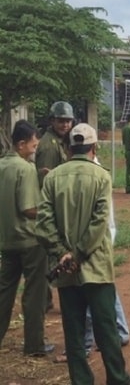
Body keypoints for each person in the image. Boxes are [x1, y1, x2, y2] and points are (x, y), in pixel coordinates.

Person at [36, 123, 130, 385]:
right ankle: (117, 378)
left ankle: (81, 381)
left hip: (66, 272)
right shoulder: (102, 176)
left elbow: (43, 224)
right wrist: (78, 254)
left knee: (75, 333)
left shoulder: (53, 178)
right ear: (94, 147)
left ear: (68, 148)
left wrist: (63, 254)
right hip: (97, 269)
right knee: (107, 330)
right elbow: (100, 222)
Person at [0, 120, 54, 357]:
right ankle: (34, 345)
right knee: (34, 294)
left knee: (4, 291)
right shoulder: (25, 169)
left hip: (7, 238)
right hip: (30, 241)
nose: (35, 150)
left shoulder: (3, 165)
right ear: (21, 144)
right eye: (32, 146)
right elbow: (29, 208)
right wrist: (50, 211)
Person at [35, 100, 75, 313]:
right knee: (53, 255)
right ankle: (46, 299)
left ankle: (47, 298)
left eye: (68, 121)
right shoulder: (49, 145)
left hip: (57, 203)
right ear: (52, 121)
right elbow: (46, 183)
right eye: (61, 121)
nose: (65, 125)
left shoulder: (60, 141)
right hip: (51, 205)